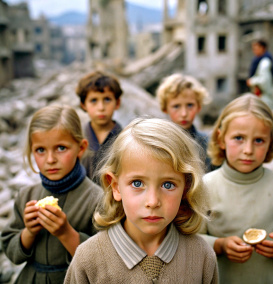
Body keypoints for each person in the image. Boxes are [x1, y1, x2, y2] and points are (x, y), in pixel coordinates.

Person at [64, 117, 219, 284]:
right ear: (115, 186)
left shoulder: (201, 255)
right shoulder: (88, 258)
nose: (152, 202)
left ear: (186, 187)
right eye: (137, 183)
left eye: (168, 185)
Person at [199, 93, 273, 284]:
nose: (248, 150)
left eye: (259, 140)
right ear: (221, 139)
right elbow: (191, 240)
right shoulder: (206, 186)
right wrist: (219, 245)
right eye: (239, 138)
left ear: (271, 142)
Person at [1, 104, 103, 284]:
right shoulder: (26, 195)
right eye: (41, 150)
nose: (50, 160)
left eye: (61, 148)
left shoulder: (96, 200)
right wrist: (29, 232)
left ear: (80, 148)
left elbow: (103, 262)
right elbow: (11, 252)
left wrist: (66, 233)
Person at [156, 73, 213, 172]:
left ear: (199, 107)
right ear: (165, 108)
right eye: (176, 106)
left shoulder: (207, 144)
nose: (184, 113)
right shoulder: (159, 143)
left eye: (190, 105)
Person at [76, 70, 123, 181]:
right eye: (94, 100)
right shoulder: (77, 138)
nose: (101, 107)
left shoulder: (125, 139)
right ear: (83, 105)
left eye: (107, 99)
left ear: (117, 103)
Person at [247, 39, 273, 109]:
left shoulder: (265, 61)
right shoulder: (258, 59)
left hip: (263, 94)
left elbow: (264, 80)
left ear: (263, 48)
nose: (254, 51)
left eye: (256, 49)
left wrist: (252, 82)